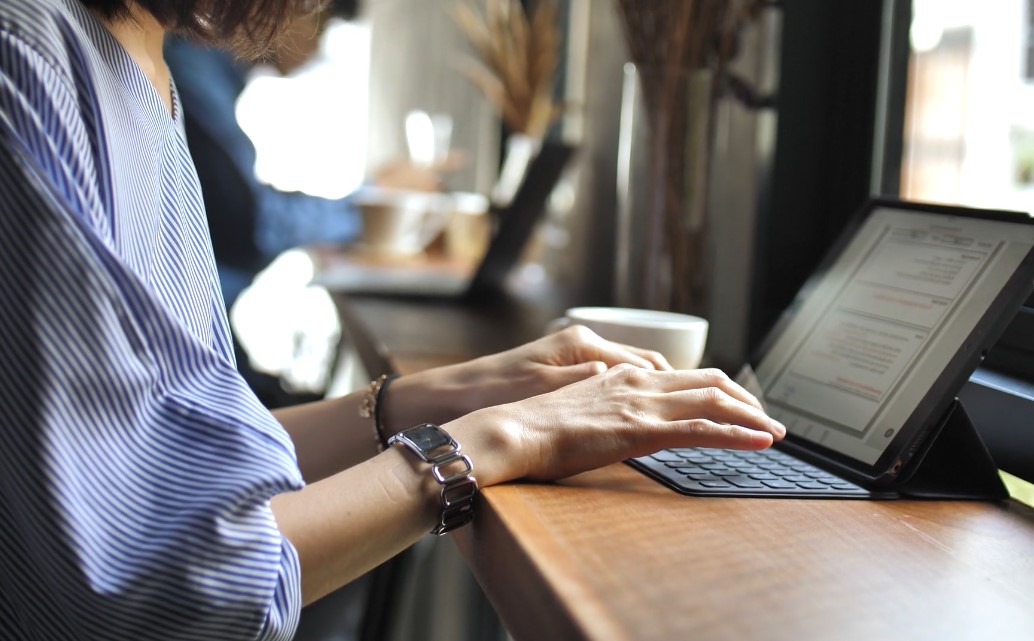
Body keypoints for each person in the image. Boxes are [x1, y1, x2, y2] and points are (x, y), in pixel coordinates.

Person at [0, 1, 786, 639]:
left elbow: (174, 455)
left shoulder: (136, 62)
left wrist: (426, 400)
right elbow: (171, 583)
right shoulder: (29, 60)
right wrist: (496, 439)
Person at [163, 2, 452, 408]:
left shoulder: (208, 73)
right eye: (318, 18)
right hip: (190, 358)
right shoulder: (187, 61)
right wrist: (373, 202)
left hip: (205, 343)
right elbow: (252, 225)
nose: (316, 42)